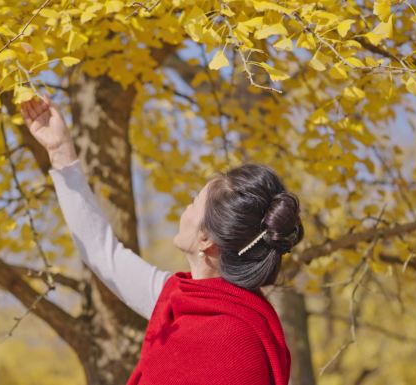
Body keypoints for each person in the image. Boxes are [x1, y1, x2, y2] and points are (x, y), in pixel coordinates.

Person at [20, 94, 303, 385]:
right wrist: (60, 151)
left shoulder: (236, 341)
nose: (186, 207)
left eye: (195, 202)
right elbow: (102, 252)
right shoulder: (178, 296)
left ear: (205, 238)